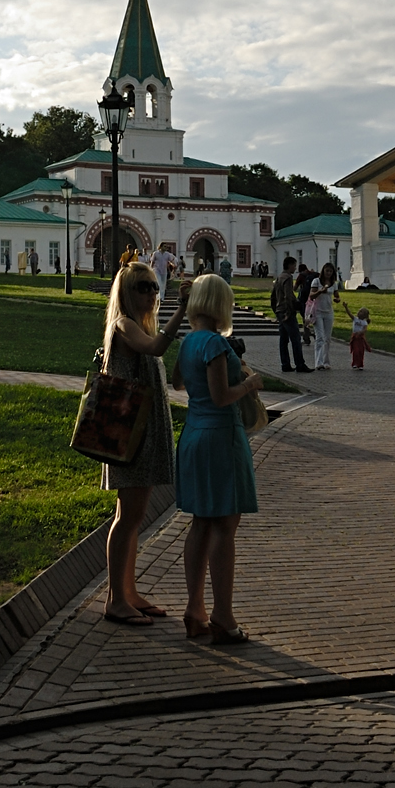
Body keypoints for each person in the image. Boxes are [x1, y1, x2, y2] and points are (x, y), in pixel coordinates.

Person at [94, 262, 187, 625]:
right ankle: (116, 599)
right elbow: (156, 347)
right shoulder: (124, 325)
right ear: (126, 293)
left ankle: (127, 591)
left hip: (143, 434)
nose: (151, 293)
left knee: (133, 518)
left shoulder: (137, 324)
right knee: (126, 517)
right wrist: (182, 309)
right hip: (128, 434)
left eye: (153, 286)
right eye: (143, 287)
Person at [175, 274, 262, 645]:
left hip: (194, 433)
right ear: (219, 303)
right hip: (221, 437)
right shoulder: (213, 343)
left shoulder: (189, 341)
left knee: (201, 523)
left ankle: (195, 609)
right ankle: (223, 617)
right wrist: (250, 384)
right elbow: (222, 396)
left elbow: (179, 383)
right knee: (225, 527)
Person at [271, 256, 309, 373]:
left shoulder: (279, 278)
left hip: (279, 310)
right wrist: (288, 312)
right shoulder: (287, 278)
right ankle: (300, 364)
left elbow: (273, 297)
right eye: (294, 265)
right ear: (289, 265)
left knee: (283, 339)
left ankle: (285, 364)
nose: (295, 267)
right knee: (295, 338)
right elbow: (288, 296)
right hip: (287, 311)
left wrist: (276, 311)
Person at [308, 262, 341, 369]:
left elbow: (337, 295)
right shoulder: (316, 281)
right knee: (320, 337)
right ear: (323, 271)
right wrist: (321, 291)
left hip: (328, 312)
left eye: (331, 271)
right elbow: (311, 296)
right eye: (327, 271)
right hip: (317, 312)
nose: (328, 273)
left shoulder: (333, 283)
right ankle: (319, 362)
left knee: (327, 338)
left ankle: (326, 362)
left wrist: (337, 299)